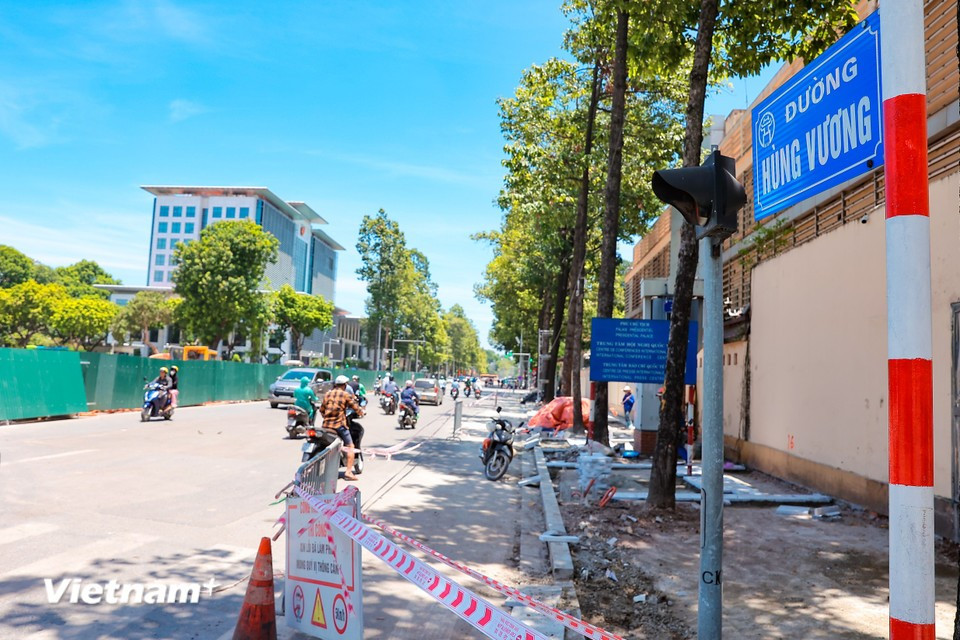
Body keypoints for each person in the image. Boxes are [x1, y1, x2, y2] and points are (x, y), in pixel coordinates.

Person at [318, 375, 364, 480]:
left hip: (326, 426)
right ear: (344, 385)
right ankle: (348, 472)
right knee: (351, 446)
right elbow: (355, 407)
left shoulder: (327, 394)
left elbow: (321, 410)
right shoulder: (345, 395)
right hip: (339, 425)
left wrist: (327, 417)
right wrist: (361, 413)